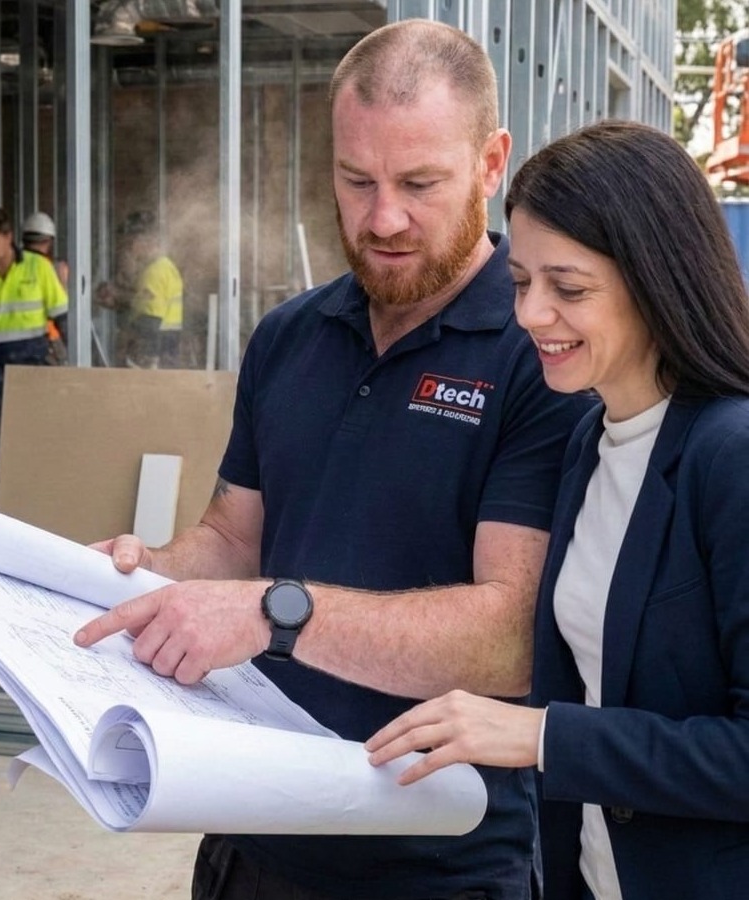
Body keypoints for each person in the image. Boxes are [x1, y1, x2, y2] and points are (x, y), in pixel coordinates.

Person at [73, 20, 590, 900]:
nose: (382, 218)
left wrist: (277, 615)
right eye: (357, 181)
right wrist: (147, 575)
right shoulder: (289, 337)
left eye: (420, 183)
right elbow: (235, 542)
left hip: (442, 860)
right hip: (254, 832)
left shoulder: (536, 351)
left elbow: (511, 639)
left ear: (492, 162)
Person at [365, 119, 749, 900]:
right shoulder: (590, 440)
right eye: (520, 283)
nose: (532, 315)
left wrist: (542, 735)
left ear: (657, 279)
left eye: (568, 288)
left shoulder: (730, 454)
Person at [0, 205, 68, 473]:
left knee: (41, 440)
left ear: (8, 237)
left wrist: (70, 369)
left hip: (35, 364)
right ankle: (9, 505)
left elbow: (63, 317)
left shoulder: (38, 268)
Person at [96, 210, 184, 369]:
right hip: (166, 351)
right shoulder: (165, 267)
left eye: (131, 242)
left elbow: (150, 321)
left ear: (144, 242)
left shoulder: (154, 273)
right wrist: (119, 300)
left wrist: (128, 344)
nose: (129, 248)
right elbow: (149, 305)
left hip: (155, 356)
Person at [21, 211, 69, 365]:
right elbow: (61, 313)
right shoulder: (47, 267)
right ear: (48, 241)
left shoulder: (11, 266)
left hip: (15, 340)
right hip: (45, 339)